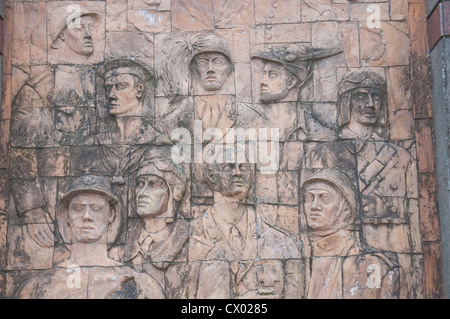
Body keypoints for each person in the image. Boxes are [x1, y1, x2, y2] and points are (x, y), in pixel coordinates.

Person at [15, 175, 165, 299]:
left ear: (111, 215)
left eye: (96, 209)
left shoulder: (143, 285)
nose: (87, 217)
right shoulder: (35, 288)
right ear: (67, 215)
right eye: (78, 208)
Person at [188, 162, 302, 299]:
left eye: (243, 168)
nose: (237, 173)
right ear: (212, 177)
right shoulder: (191, 236)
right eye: (228, 167)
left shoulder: (282, 242)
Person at [300, 168, 400, 299]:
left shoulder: (376, 266)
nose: (314, 206)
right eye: (309, 198)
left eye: (325, 199)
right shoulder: (297, 253)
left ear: (345, 209)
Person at [118, 157, 190, 298]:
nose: (142, 193)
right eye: (140, 184)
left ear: (174, 192)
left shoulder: (199, 250)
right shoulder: (119, 248)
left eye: (153, 185)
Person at [240, 43, 341, 142]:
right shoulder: (249, 130)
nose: (263, 81)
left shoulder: (321, 134)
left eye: (273, 75)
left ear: (291, 82)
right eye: (264, 73)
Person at [338, 71, 389, 140]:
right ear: (347, 102)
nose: (371, 104)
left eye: (376, 98)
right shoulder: (331, 146)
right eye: (361, 98)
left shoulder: (391, 149)